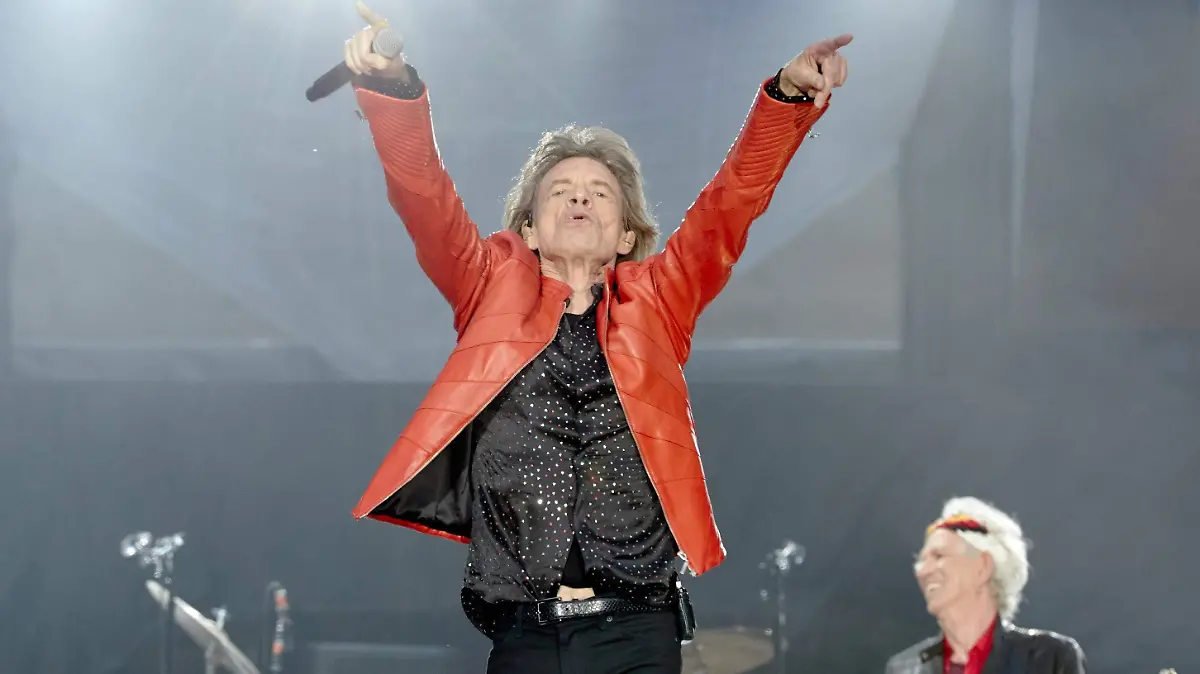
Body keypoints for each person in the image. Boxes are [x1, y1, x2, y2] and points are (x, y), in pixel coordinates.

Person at [339, 2, 850, 671]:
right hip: (524, 632)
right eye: (560, 191)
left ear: (628, 234)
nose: (579, 198)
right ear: (527, 229)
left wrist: (787, 96)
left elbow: (732, 202)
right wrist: (393, 88)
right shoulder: (486, 284)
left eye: (600, 193)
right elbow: (422, 195)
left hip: (637, 629)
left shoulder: (662, 297)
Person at [884, 497, 1086, 674]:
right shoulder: (905, 668)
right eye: (921, 560)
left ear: (983, 567)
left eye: (938, 556)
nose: (922, 571)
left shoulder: (1050, 657)